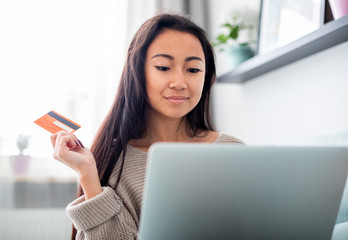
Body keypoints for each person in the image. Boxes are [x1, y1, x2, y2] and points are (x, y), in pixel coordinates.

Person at [50, 13, 244, 240]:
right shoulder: (115, 162)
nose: (180, 83)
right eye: (163, 67)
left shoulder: (234, 151)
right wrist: (88, 176)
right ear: (138, 72)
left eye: (192, 70)